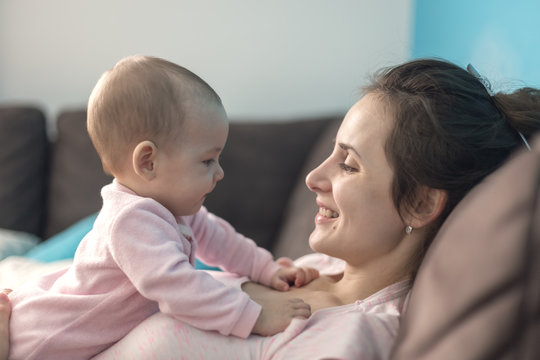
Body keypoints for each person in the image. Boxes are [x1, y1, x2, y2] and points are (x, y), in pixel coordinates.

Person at [5, 58, 540, 359]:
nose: (313, 178)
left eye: (348, 165)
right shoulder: (312, 272)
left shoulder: (353, 337)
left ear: (421, 202)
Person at [7, 55, 319, 360]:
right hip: (47, 339)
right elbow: (179, 289)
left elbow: (220, 239)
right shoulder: (130, 221)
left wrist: (267, 270)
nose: (220, 172)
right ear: (148, 162)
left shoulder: (171, 209)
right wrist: (253, 317)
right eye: (207, 160)